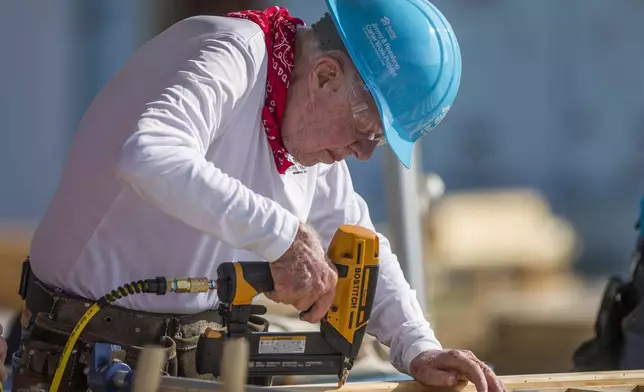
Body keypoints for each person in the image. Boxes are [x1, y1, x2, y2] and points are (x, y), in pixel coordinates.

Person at [12, 1, 507, 392]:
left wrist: (417, 346)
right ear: (326, 76)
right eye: (366, 131)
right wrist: (284, 237)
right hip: (78, 353)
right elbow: (149, 154)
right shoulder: (230, 55)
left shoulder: (307, 134)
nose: (360, 154)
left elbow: (357, 240)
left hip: (185, 363)